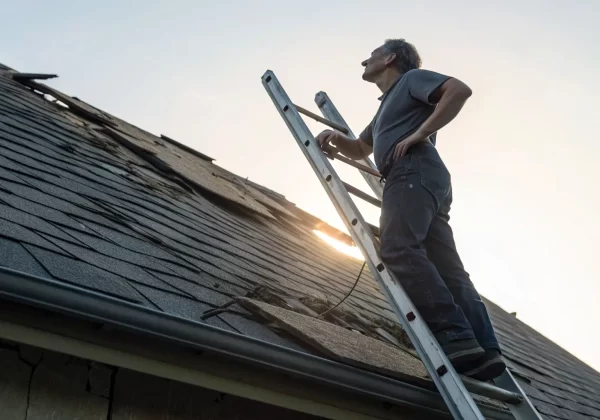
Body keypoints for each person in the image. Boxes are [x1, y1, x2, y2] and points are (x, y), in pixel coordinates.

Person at [316, 39, 505, 381]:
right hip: (425, 178)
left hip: (412, 170)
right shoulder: (386, 106)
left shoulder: (410, 80)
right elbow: (360, 148)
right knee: (447, 268)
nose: (364, 60)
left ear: (389, 58)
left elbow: (459, 90)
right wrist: (333, 136)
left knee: (398, 248)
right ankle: (484, 347)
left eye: (371, 55)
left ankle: (455, 335)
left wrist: (421, 133)